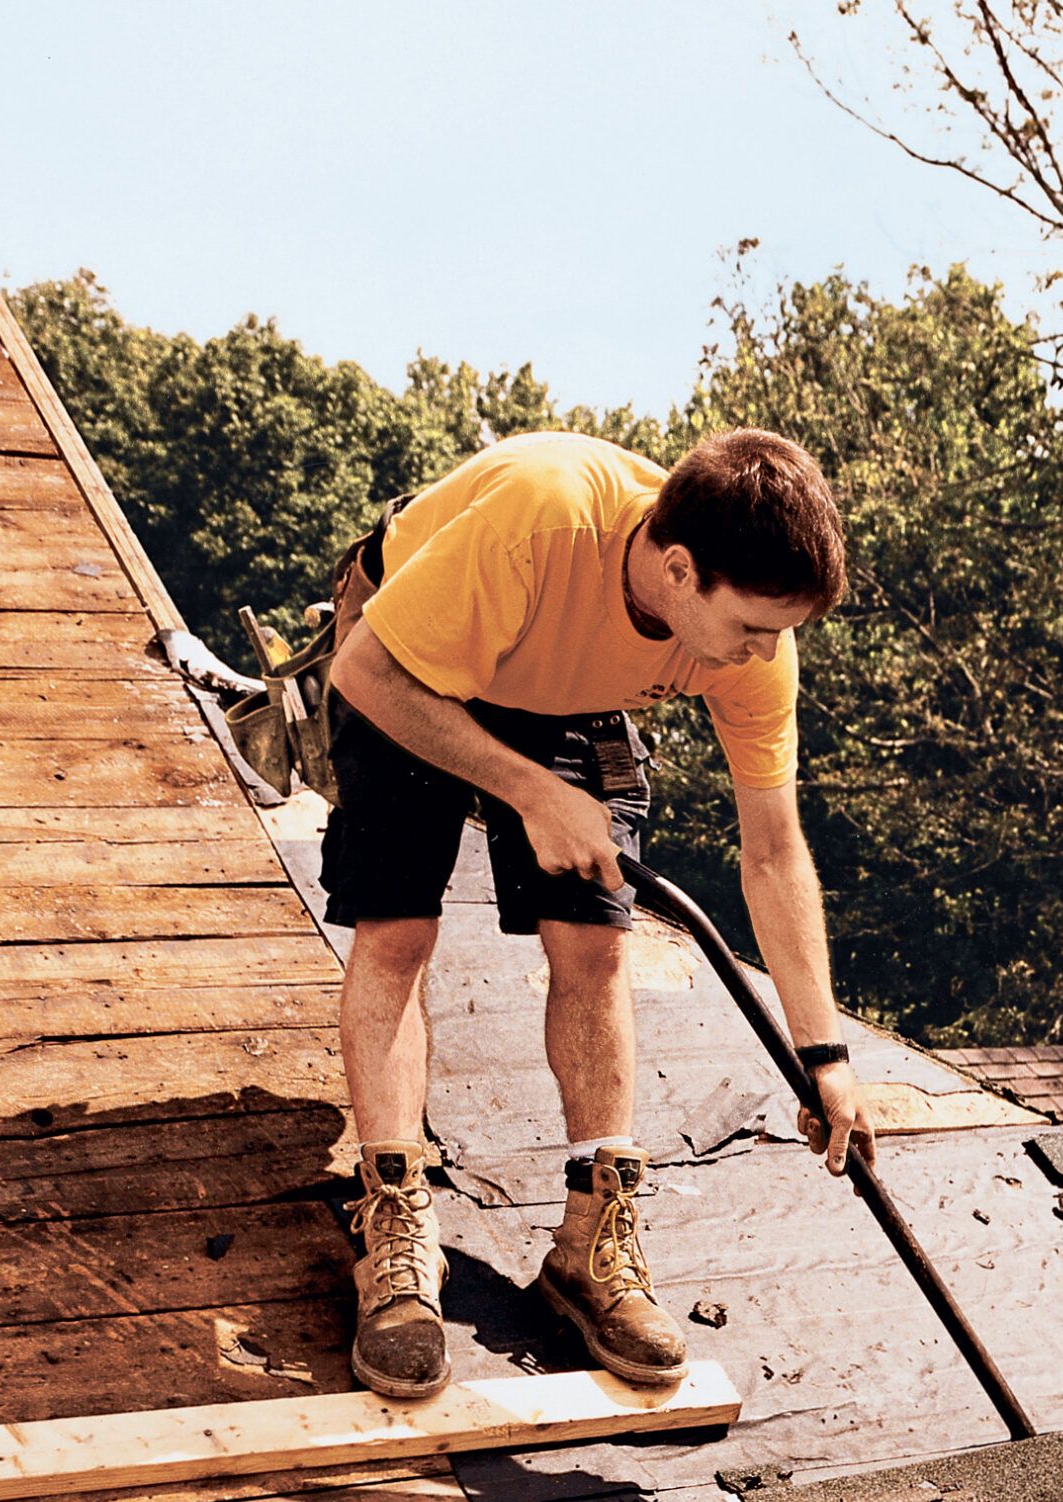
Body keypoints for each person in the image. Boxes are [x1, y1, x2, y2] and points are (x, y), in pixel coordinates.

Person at [320, 427, 872, 1399]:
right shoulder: (541, 521)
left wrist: (822, 1054)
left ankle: (590, 1244)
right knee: (399, 924)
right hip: (409, 654)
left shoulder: (750, 647)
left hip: (562, 686)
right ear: (675, 568)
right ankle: (397, 1220)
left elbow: (774, 851)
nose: (764, 653)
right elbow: (363, 672)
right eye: (750, 626)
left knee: (597, 937)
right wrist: (529, 791)